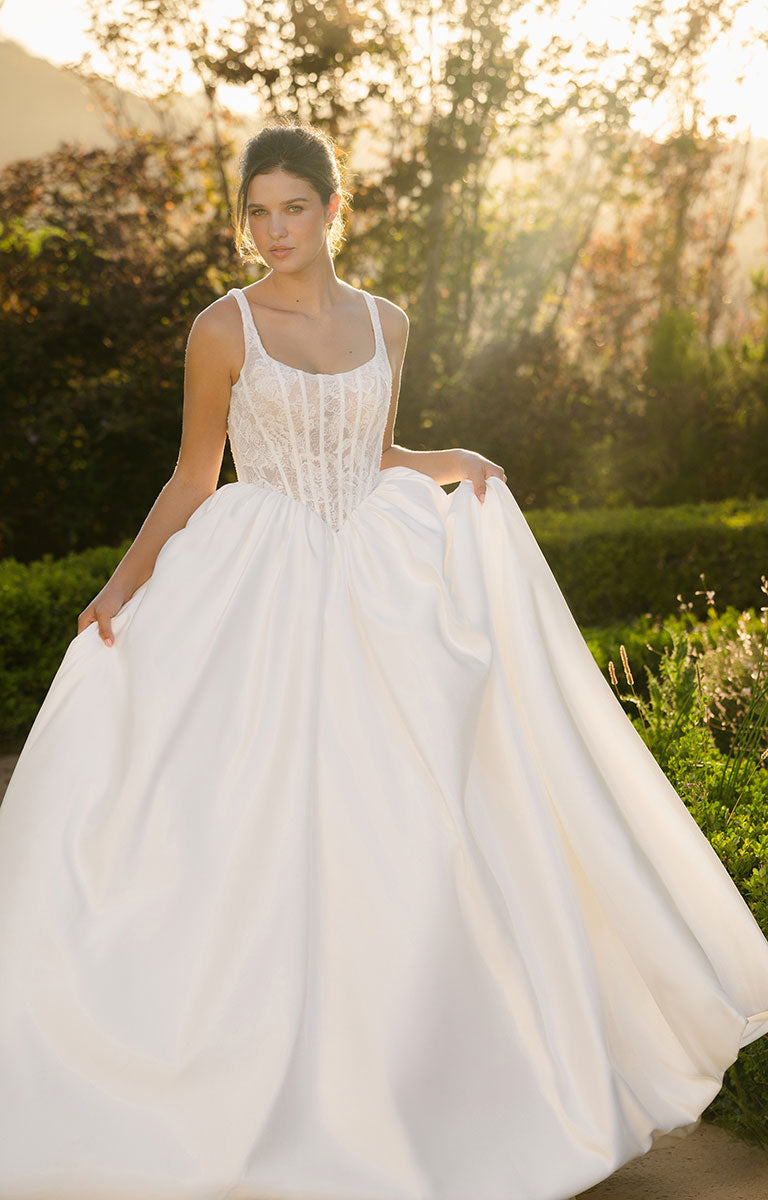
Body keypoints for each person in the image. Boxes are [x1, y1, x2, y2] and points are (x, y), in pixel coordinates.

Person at [1, 119, 767, 1200]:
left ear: (332, 207)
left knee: (424, 810)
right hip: (257, 580)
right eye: (256, 212)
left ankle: (429, 1084)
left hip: (375, 571)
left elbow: (370, 453)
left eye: (293, 209)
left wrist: (446, 459)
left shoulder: (387, 321)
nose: (272, 230)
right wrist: (119, 589)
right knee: (243, 812)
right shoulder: (222, 328)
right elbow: (192, 477)